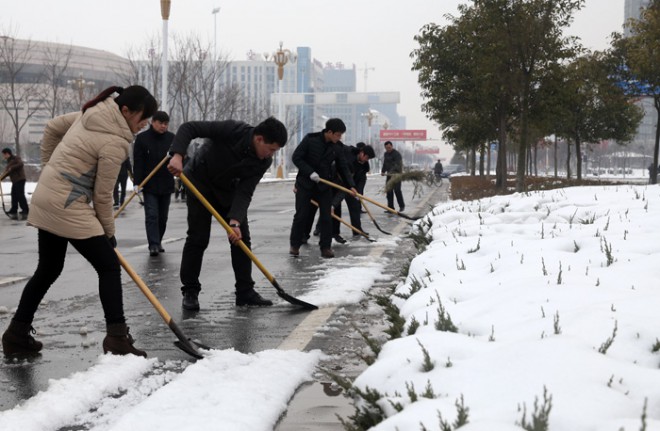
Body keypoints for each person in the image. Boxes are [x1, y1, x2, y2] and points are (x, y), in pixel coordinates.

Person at [1, 85, 157, 358]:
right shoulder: (114, 141)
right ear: (125, 110)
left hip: (48, 196)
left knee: (48, 269)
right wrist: (109, 233)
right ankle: (118, 339)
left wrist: (50, 169)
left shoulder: (89, 114)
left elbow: (51, 127)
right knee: (108, 266)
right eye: (142, 118)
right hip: (67, 204)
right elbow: (103, 195)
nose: (144, 124)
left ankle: (16, 334)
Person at [166, 117, 288, 310]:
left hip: (227, 191)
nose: (270, 155)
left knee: (240, 239)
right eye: (271, 149)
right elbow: (189, 127)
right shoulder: (233, 130)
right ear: (259, 139)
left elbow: (245, 191)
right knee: (198, 238)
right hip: (199, 182)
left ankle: (245, 292)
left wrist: (235, 221)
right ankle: (190, 291)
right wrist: (178, 155)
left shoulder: (262, 161)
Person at [289, 118, 357, 258]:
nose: (339, 138)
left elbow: (343, 167)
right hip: (305, 184)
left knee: (326, 217)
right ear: (329, 132)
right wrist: (310, 172)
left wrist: (351, 185)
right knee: (301, 215)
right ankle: (295, 245)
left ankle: (325, 247)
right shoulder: (310, 140)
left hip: (324, 185)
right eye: (338, 135)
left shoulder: (337, 147)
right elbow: (297, 158)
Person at [133, 110, 175, 256]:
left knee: (163, 217)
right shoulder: (142, 139)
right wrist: (137, 183)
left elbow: (179, 159)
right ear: (153, 122)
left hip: (166, 183)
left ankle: (158, 240)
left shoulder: (172, 139)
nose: (164, 126)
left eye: (166, 124)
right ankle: (154, 244)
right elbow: (138, 162)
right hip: (149, 184)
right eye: (161, 123)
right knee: (152, 215)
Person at [0, 147, 29, 220]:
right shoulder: (9, 162)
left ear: (7, 153)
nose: (4, 156)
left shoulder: (16, 158)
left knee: (20, 195)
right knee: (14, 195)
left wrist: (12, 168)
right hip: (15, 181)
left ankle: (25, 210)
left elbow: (20, 164)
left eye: (4, 155)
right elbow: (7, 173)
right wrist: (1, 178)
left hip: (20, 179)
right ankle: (14, 209)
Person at [381, 140, 405, 212]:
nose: (388, 149)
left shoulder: (397, 154)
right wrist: (383, 171)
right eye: (386, 148)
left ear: (391, 146)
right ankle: (390, 208)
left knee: (397, 190)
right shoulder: (386, 154)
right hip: (389, 176)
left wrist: (392, 171)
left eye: (389, 147)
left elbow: (397, 164)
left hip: (396, 175)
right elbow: (385, 163)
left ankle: (401, 206)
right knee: (389, 191)